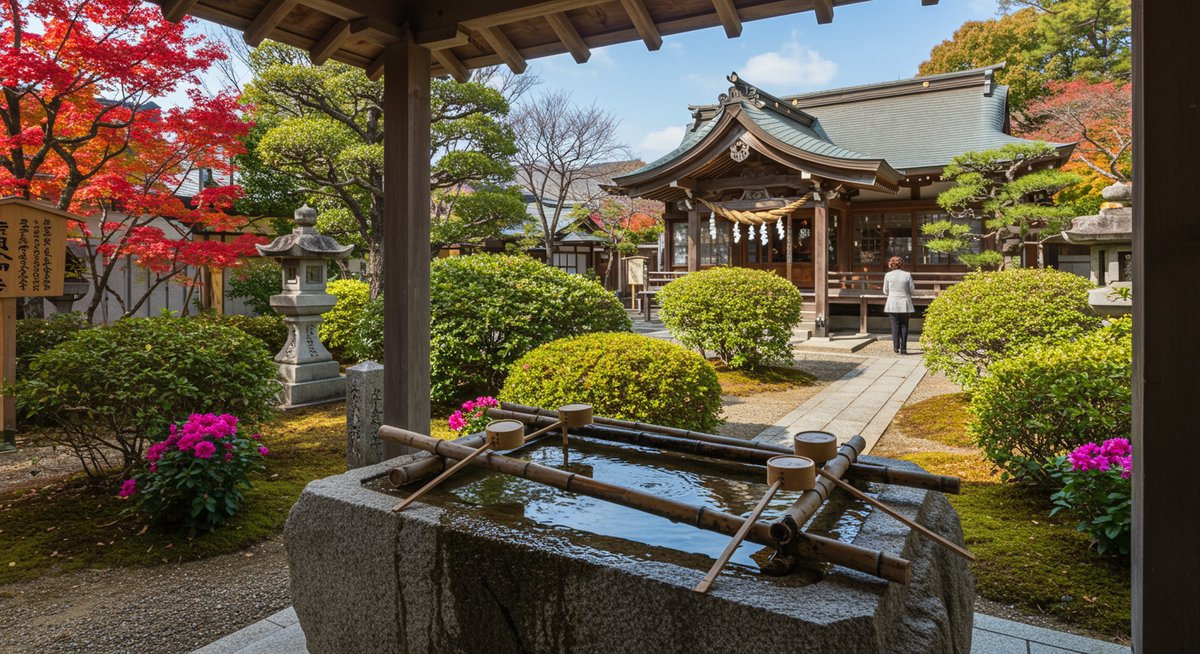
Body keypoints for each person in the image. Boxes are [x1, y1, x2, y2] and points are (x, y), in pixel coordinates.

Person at [882, 256, 915, 354]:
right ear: (902, 264)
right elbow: (912, 289)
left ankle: (896, 348)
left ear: (891, 264)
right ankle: (904, 348)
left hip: (892, 302)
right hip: (905, 302)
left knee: (895, 325)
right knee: (904, 325)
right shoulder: (907, 275)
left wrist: (892, 294)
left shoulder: (888, 275)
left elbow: (885, 291)